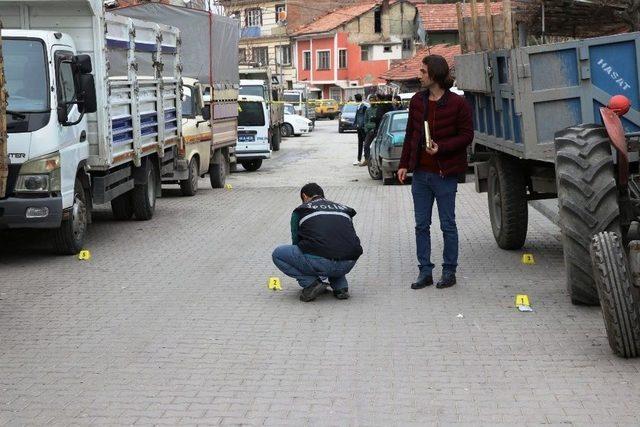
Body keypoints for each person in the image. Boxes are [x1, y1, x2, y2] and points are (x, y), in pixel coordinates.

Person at [397, 54, 474, 290]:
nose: (419, 75)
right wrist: (403, 164)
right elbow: (411, 133)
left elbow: (466, 136)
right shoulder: (417, 102)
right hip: (420, 174)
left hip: (445, 173)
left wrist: (442, 149)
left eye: (422, 72)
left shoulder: (457, 103)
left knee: (447, 225)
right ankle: (425, 271)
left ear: (435, 74)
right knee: (421, 225)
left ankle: (449, 271)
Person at [272, 183, 363, 302]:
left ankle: (311, 284)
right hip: (348, 262)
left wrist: (312, 268)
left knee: (278, 254)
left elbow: (296, 242)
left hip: (321, 262)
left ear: (304, 196)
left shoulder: (301, 210)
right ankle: (341, 287)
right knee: (336, 246)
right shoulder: (344, 209)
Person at [362, 94, 394, 165]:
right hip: (370, 131)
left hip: (378, 130)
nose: (371, 102)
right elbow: (366, 121)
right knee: (366, 145)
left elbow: (380, 120)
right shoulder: (368, 110)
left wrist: (373, 126)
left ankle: (378, 159)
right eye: (370, 101)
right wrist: (367, 129)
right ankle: (367, 160)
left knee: (378, 146)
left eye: (373, 100)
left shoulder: (379, 108)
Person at [353, 93, 368, 166]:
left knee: (365, 144)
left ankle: (366, 159)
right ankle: (358, 159)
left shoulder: (364, 107)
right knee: (360, 143)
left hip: (362, 128)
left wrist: (363, 126)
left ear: (356, 99)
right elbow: (357, 116)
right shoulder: (358, 106)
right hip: (359, 127)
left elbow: (365, 117)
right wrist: (355, 124)